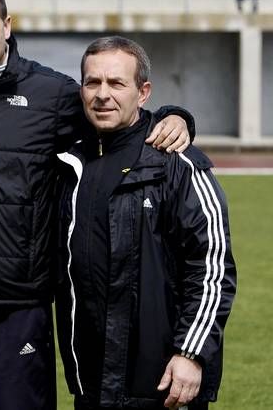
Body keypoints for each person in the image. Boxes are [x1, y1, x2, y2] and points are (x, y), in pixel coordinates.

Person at [0, 0, 193, 410]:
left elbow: (120, 115)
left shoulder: (52, 94)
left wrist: (176, 117)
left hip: (15, 311)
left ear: (7, 25)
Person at [56, 35, 236, 410]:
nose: (102, 94)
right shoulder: (70, 163)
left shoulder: (177, 162)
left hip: (163, 382)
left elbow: (212, 268)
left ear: (143, 92)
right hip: (90, 382)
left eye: (117, 83)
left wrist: (191, 352)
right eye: (93, 82)